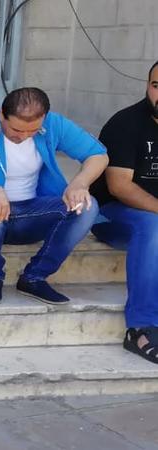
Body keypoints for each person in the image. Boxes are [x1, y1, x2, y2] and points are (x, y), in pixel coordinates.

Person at [0, 87, 108, 304]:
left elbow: (98, 155)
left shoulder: (53, 124)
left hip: (31, 215)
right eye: (16, 129)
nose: (23, 136)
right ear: (1, 114)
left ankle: (34, 277)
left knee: (87, 206)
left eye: (33, 131)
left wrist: (79, 184)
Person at [90, 61, 158, 364]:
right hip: (111, 213)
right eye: (156, 86)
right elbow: (119, 186)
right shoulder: (126, 123)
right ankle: (141, 327)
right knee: (153, 226)